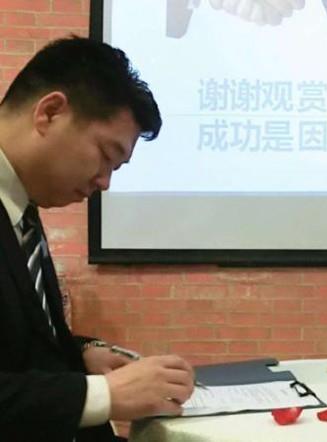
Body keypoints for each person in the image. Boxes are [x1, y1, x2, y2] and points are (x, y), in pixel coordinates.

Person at [0, 37, 195, 441]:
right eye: (106, 156)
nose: (104, 183)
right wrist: (103, 395)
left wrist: (81, 353)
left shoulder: (22, 208)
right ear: (50, 113)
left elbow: (17, 345)